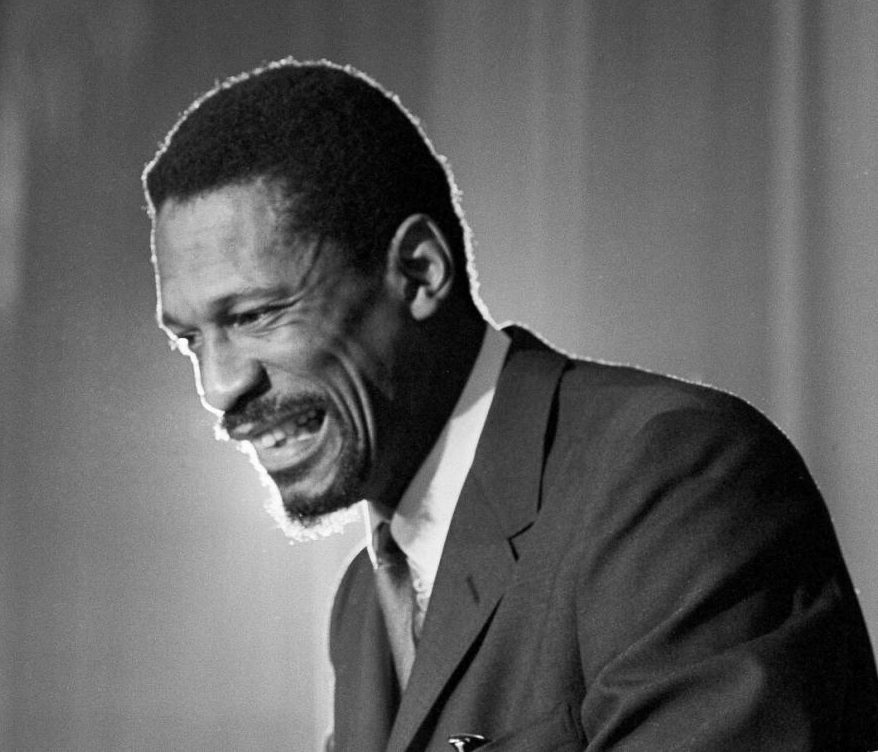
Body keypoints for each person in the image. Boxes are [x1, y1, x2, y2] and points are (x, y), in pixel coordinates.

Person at [142, 59, 878, 750]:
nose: (220, 386)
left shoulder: (673, 479)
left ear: (420, 271)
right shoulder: (363, 603)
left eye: (255, 316)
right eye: (188, 341)